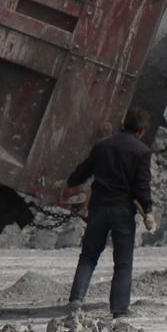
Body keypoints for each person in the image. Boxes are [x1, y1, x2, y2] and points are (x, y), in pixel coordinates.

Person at [66, 108, 156, 317]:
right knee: (123, 262)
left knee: (88, 256)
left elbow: (84, 171)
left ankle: (76, 301)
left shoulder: (102, 145)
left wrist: (70, 182)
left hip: (98, 208)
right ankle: (119, 309)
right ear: (142, 130)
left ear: (124, 123)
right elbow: (141, 187)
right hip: (122, 212)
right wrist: (148, 210)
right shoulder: (142, 152)